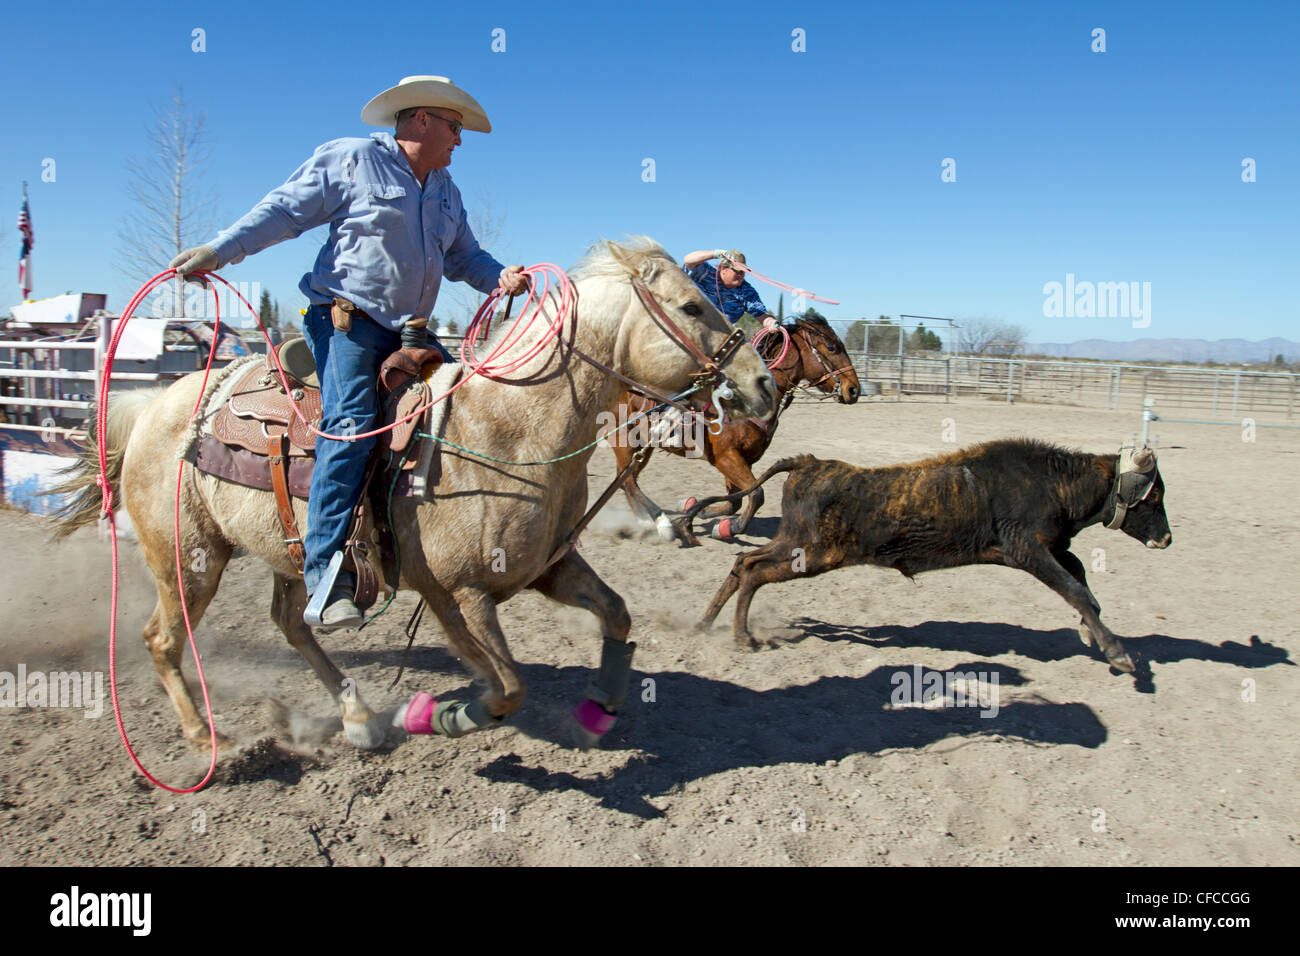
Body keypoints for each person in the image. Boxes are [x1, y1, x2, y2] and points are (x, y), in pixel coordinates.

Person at [170, 75, 528, 629]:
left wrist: (499, 276)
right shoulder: (355, 159)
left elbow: (465, 258)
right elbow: (285, 211)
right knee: (353, 422)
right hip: (348, 324)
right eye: (455, 127)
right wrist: (221, 249)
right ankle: (325, 578)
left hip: (409, 332)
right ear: (422, 120)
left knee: (468, 402)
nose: (460, 141)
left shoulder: (446, 191)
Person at [681, 249, 778, 331]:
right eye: (737, 270)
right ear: (723, 269)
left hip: (718, 336)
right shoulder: (705, 272)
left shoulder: (747, 292)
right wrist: (714, 254)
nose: (740, 275)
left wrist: (771, 322)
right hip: (687, 326)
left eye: (743, 272)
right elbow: (688, 260)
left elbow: (762, 315)